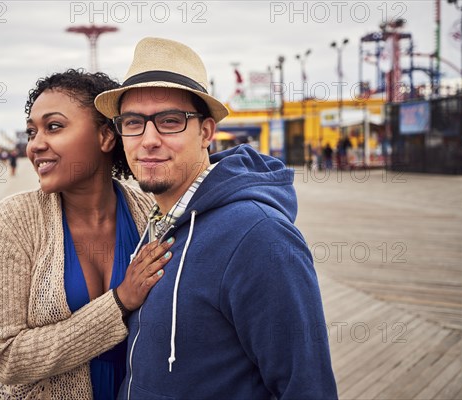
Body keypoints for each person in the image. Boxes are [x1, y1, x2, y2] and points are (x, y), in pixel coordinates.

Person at [95, 37, 338, 399]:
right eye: (133, 122)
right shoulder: (160, 218)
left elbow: (305, 386)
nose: (148, 139)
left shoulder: (259, 234)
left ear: (206, 132)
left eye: (170, 121)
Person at [0, 69, 175, 399]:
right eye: (31, 132)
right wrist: (120, 302)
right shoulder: (15, 220)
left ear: (105, 137)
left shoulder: (150, 215)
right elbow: (6, 358)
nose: (35, 145)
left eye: (53, 127)